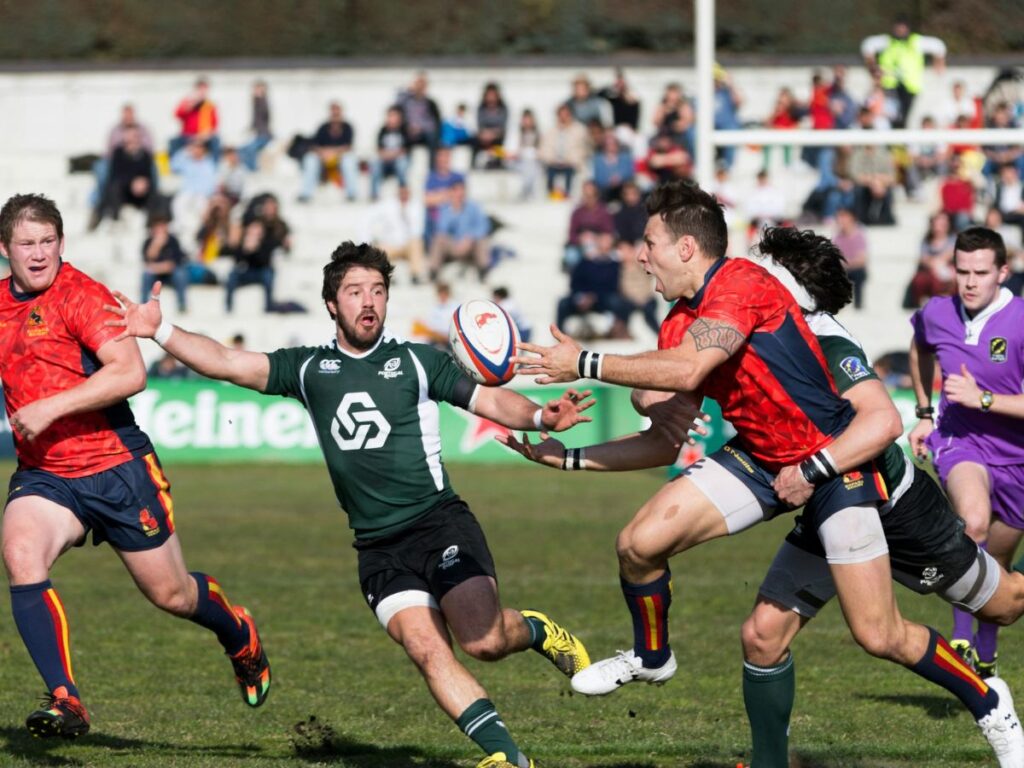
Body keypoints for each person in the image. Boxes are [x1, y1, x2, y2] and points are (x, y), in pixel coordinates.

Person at [507, 181, 1022, 762]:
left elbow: (877, 423)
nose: (639, 254)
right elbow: (667, 425)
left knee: (944, 619)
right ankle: (657, 661)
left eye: (648, 241)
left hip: (850, 473)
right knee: (650, 551)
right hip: (767, 460)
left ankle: (987, 699)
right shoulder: (683, 319)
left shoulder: (771, 304)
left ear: (685, 249)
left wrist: (588, 361)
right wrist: (569, 454)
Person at [107, 242, 594, 768]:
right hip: (378, 548)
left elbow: (492, 401)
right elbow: (228, 362)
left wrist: (542, 419)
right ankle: (508, 758)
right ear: (331, 305)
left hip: (440, 523)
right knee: (428, 650)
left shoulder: (417, 360)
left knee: (484, 641)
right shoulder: (310, 369)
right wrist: (159, 330)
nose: (369, 302)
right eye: (355, 292)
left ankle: (539, 630)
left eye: (378, 291)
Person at [739, 227, 1024, 768]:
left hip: (893, 499)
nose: (749, 272)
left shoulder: (827, 340)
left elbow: (879, 420)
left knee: (1004, 604)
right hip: (835, 501)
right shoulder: (748, 325)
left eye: (763, 264)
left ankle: (988, 698)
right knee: (763, 634)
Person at [0, 193, 269, 739]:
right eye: (26, 244)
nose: (38, 253)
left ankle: (238, 631)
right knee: (20, 550)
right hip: (47, 474)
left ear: (62, 243)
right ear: (5, 249)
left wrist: (51, 406)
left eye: (47, 241)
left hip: (116, 466)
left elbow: (130, 373)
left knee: (171, 595)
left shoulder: (83, 295)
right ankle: (66, 699)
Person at [909, 226, 1024, 682]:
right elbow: (919, 348)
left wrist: (986, 399)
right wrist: (923, 412)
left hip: (1017, 457)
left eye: (980, 272)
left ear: (1002, 272)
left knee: (995, 566)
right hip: (960, 441)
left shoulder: (1020, 319)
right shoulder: (936, 312)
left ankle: (987, 648)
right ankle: (959, 638)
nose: (970, 282)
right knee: (971, 522)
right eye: (962, 272)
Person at [860, 15, 946, 128]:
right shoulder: (887, 41)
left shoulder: (916, 41)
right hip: (889, 86)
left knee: (903, 118)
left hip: (910, 88)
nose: (900, 31)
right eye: (898, 28)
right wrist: (872, 66)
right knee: (892, 117)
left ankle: (899, 143)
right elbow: (868, 45)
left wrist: (939, 63)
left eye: (902, 28)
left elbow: (938, 46)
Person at [298, 102, 359, 203]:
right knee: (310, 160)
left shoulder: (348, 127)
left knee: (349, 160)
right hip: (324, 158)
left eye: (337, 112)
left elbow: (348, 147)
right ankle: (306, 193)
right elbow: (315, 145)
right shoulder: (323, 127)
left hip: (340, 158)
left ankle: (351, 193)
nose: (335, 115)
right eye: (333, 112)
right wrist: (324, 153)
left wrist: (333, 152)